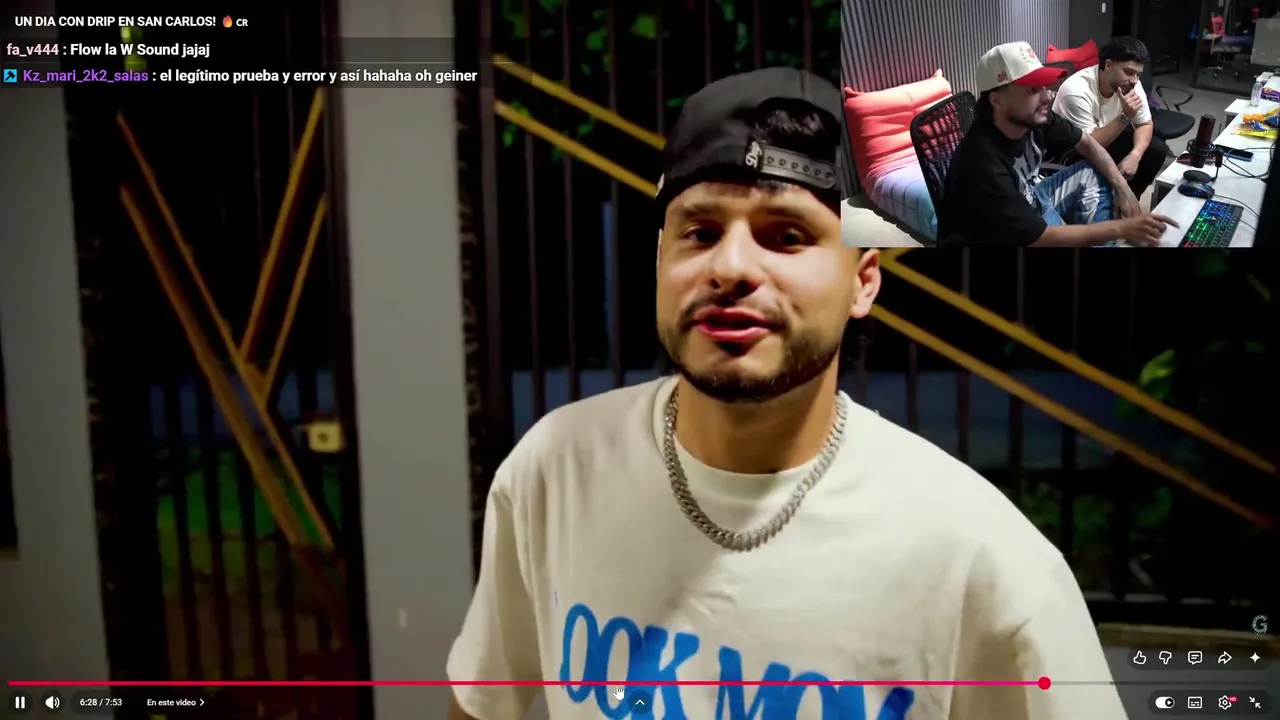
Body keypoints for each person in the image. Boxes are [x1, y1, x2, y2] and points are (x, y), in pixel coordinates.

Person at [447, 67, 1126, 720]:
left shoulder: (986, 561)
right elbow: (481, 699)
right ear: (659, 259)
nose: (731, 267)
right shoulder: (554, 471)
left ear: (863, 280)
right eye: (700, 232)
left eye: (787, 236)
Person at [938, 41, 1177, 247]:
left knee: (1093, 169)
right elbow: (1039, 238)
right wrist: (1120, 228)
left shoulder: (1035, 117)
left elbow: (1087, 143)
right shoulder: (983, 164)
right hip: (1000, 238)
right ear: (997, 100)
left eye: (1044, 86)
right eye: (1033, 90)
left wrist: (1125, 191)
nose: (1047, 96)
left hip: (1032, 197)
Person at [1052, 36, 1168, 200]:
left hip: (1104, 140)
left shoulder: (1131, 84)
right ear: (1108, 65)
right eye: (1128, 72)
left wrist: (1134, 156)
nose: (1135, 81)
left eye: (1138, 74)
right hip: (1073, 152)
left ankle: (1128, 201)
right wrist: (1126, 116)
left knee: (1156, 148)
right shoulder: (1076, 91)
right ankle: (1109, 203)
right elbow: (1089, 146)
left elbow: (1145, 124)